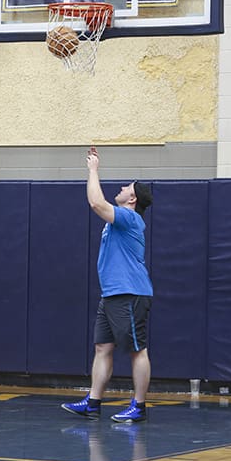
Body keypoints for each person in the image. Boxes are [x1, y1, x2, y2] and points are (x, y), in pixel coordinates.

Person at [61, 147, 154, 423]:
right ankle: (93, 402)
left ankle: (139, 406)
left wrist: (93, 169)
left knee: (138, 349)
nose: (122, 187)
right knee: (103, 348)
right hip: (112, 295)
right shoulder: (120, 220)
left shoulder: (129, 217)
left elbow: (96, 204)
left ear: (132, 198)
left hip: (130, 293)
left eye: (127, 187)